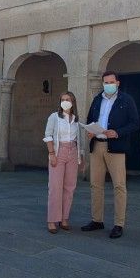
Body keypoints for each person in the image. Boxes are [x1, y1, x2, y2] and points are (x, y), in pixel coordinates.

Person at [82, 71, 140, 239]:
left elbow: (135, 123)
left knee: (119, 186)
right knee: (95, 184)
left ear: (117, 83)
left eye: (111, 82)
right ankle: (97, 220)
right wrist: (90, 131)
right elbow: (90, 119)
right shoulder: (97, 99)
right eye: (106, 82)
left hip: (115, 147)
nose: (108, 84)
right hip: (97, 146)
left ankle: (118, 224)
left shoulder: (126, 100)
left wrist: (117, 133)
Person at [43, 91, 86, 234]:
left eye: (68, 99)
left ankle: (64, 218)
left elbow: (78, 140)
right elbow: (48, 135)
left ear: (73, 102)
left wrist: (81, 158)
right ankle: (52, 220)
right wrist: (51, 154)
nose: (65, 101)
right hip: (58, 151)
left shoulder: (75, 119)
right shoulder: (54, 117)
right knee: (55, 186)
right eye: (63, 99)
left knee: (70, 186)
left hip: (72, 152)